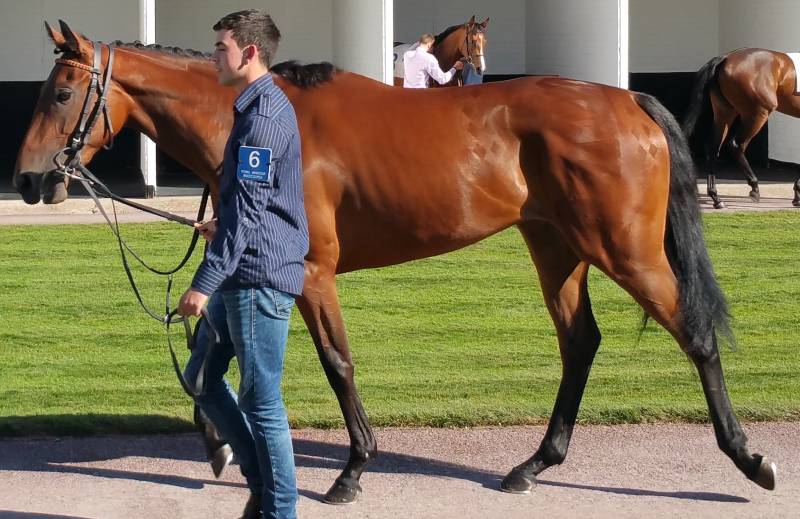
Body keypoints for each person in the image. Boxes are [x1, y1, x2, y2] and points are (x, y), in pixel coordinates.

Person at [177, 8, 308, 519]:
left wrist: (203, 282)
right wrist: (221, 223)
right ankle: (262, 487)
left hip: (256, 278)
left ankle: (280, 511)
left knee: (262, 402)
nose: (213, 57)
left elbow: (251, 214)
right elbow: (251, 206)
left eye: (221, 48)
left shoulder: (264, 118)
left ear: (249, 53)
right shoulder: (252, 108)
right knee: (201, 379)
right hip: (243, 268)